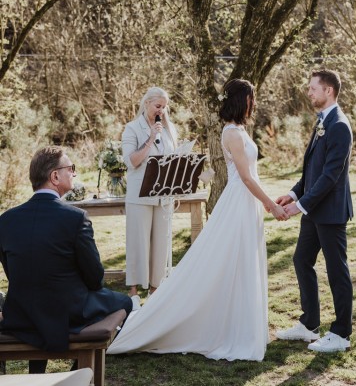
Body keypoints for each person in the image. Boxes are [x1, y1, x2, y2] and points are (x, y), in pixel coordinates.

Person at [108, 78, 287, 361]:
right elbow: (245, 176)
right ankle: (143, 299)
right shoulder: (232, 133)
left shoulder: (238, 129)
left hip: (240, 201)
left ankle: (240, 322)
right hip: (237, 200)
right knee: (221, 259)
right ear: (243, 101)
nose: (255, 103)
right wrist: (270, 205)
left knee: (241, 261)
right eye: (252, 98)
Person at [0, 146, 132, 373]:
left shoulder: (6, 220)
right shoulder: (75, 218)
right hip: (67, 313)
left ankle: (39, 373)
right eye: (71, 168)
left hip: (21, 312)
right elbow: (95, 278)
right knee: (125, 302)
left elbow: (14, 272)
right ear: (54, 176)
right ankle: (78, 372)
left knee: (39, 296)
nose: (74, 173)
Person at [276, 68, 353, 353]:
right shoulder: (322, 122)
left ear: (328, 91)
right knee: (301, 260)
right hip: (313, 212)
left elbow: (330, 176)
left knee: (336, 271)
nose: (308, 92)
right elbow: (312, 170)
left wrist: (299, 206)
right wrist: (293, 193)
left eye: (313, 88)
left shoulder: (339, 125)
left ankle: (342, 333)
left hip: (330, 212)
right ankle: (309, 324)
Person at [122, 86, 178, 304]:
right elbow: (132, 161)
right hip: (140, 194)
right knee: (138, 241)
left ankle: (155, 291)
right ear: (146, 104)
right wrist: (150, 138)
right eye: (157, 106)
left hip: (164, 195)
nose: (161, 111)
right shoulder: (131, 129)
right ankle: (134, 292)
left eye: (164, 107)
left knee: (160, 244)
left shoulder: (170, 128)